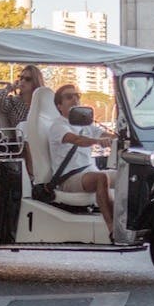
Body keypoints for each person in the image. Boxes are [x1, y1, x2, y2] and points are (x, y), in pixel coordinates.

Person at [48, 84, 115, 232]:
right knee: (101, 178)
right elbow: (77, 140)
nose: (75, 99)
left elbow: (105, 134)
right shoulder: (58, 125)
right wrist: (98, 142)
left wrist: (122, 138)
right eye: (69, 97)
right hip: (69, 178)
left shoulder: (86, 123)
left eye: (77, 95)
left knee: (126, 174)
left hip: (89, 171)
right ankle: (113, 229)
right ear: (59, 105)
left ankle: (131, 220)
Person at [0, 65, 44, 131]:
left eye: (27, 79)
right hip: (21, 139)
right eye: (21, 78)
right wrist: (10, 88)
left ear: (35, 82)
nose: (23, 81)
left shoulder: (43, 102)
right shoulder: (13, 102)